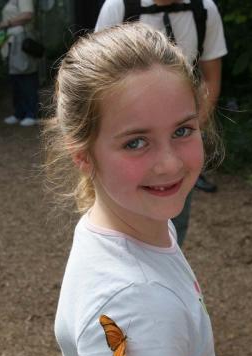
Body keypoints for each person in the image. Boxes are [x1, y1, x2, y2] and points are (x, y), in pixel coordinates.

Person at [44, 23, 223, 356]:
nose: (169, 164)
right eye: (136, 142)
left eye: (182, 131)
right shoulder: (139, 304)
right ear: (84, 157)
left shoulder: (127, 221)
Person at [95, 0, 227, 245]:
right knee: (123, 214)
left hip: (179, 128)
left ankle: (169, 261)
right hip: (129, 136)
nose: (168, 164)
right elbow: (94, 80)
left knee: (175, 215)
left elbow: (210, 78)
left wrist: (188, 128)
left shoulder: (205, 10)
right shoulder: (118, 7)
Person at [0, 0, 39, 127]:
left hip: (21, 41)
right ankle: (19, 113)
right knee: (16, 78)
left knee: (26, 75)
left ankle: (31, 114)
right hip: (11, 40)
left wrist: (8, 23)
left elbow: (28, 15)